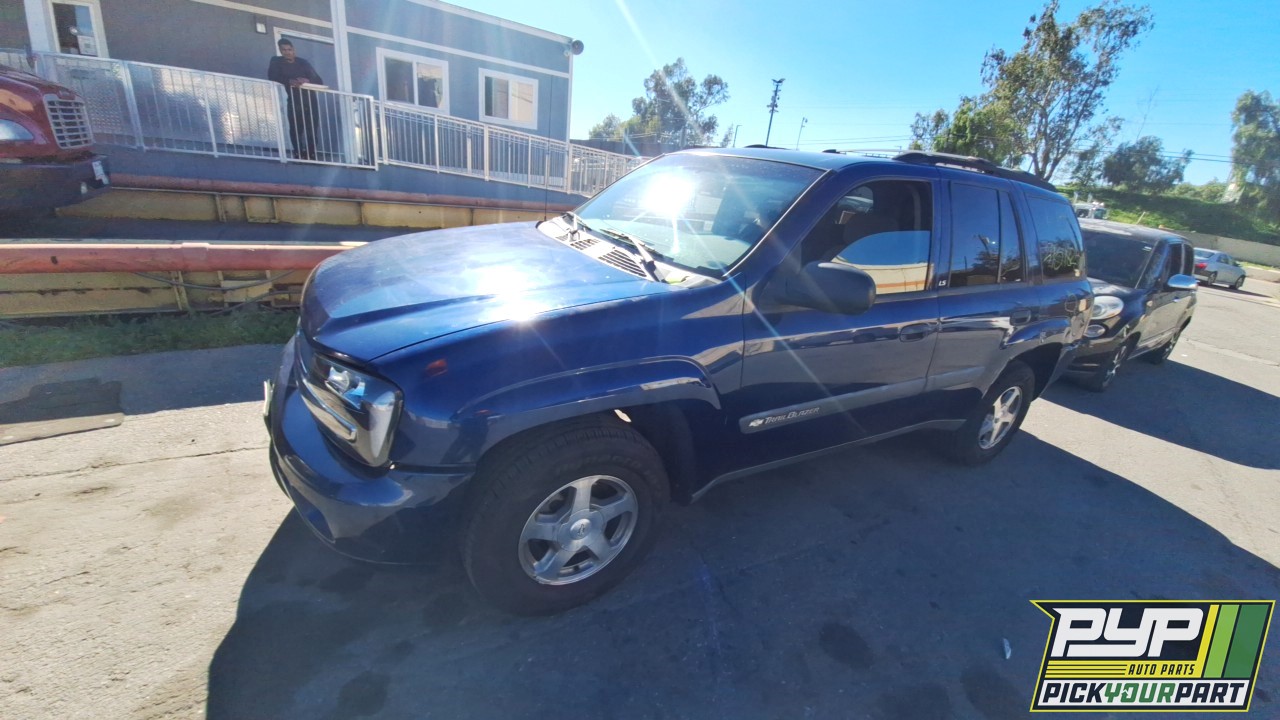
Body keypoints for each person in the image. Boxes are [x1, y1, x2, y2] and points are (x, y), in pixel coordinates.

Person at [267, 38, 323, 160]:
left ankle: (311, 154)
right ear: (280, 51)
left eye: (289, 49)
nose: (287, 52)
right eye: (284, 50)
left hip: (309, 99)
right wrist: (289, 81)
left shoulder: (303, 63)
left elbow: (318, 80)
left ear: (294, 50)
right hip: (294, 100)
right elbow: (272, 76)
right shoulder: (276, 61)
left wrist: (307, 80)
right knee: (296, 128)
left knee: (312, 128)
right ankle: (298, 153)